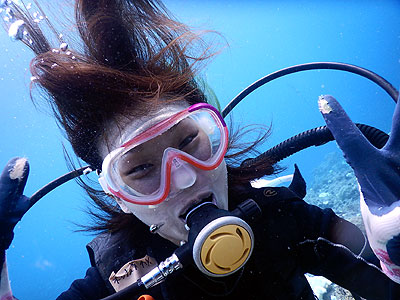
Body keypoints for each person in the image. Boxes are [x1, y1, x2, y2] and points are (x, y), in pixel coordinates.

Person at [0, 0, 400, 299]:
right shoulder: (118, 275)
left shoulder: (280, 215)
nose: (187, 176)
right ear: (118, 195)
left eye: (190, 141)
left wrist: (392, 248)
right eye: (139, 170)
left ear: (216, 134)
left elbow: (374, 267)